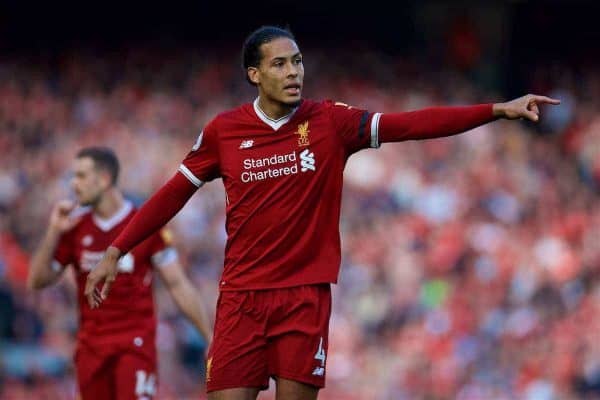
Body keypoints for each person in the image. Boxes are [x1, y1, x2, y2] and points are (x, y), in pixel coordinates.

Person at [84, 26, 560, 400]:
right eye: (279, 64)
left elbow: (411, 125)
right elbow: (172, 194)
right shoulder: (224, 132)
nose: (293, 72)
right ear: (255, 74)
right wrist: (116, 249)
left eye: (297, 61)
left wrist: (496, 109)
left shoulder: (330, 122)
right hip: (241, 298)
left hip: (303, 298)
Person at [28, 147, 212, 400]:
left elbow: (178, 284)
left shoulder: (145, 225)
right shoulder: (74, 229)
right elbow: (37, 281)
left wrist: (209, 336)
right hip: (90, 349)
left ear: (103, 179)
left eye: (81, 176)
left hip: (134, 346)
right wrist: (52, 231)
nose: (74, 184)